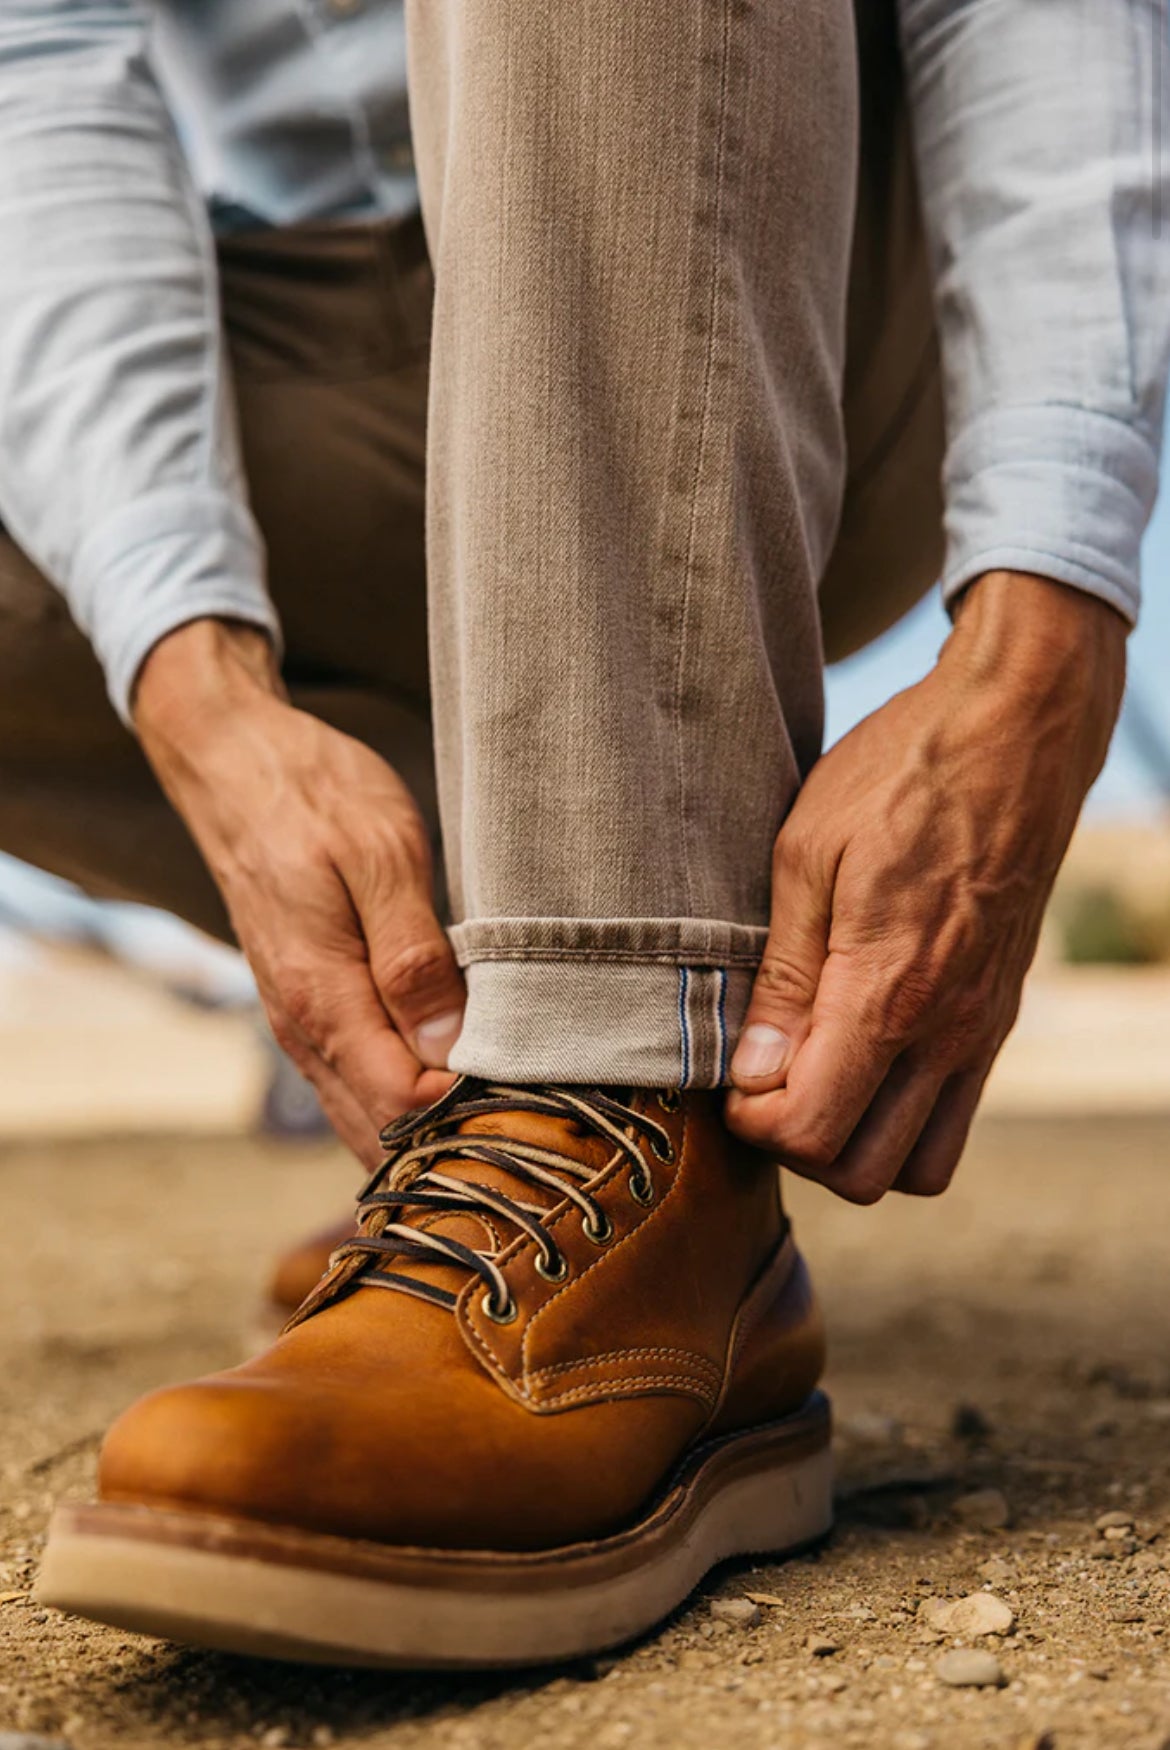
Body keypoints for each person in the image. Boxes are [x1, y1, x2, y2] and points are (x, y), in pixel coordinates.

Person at [3, 0, 1165, 1668]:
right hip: (312, 311)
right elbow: (34, 66)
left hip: (802, 228)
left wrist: (1045, 619)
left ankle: (628, 1121)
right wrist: (202, 691)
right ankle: (535, 1055)